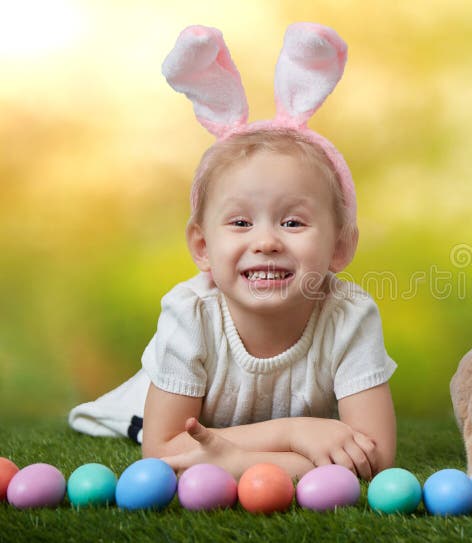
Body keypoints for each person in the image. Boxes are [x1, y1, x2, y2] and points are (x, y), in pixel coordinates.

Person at [68, 23, 397, 480]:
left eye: (293, 222)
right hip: (157, 410)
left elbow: (374, 457)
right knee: (139, 425)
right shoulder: (190, 315)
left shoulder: (350, 316)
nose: (265, 241)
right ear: (202, 247)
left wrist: (238, 459)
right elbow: (162, 451)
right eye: (241, 223)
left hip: (218, 437)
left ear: (340, 247)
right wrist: (297, 433)